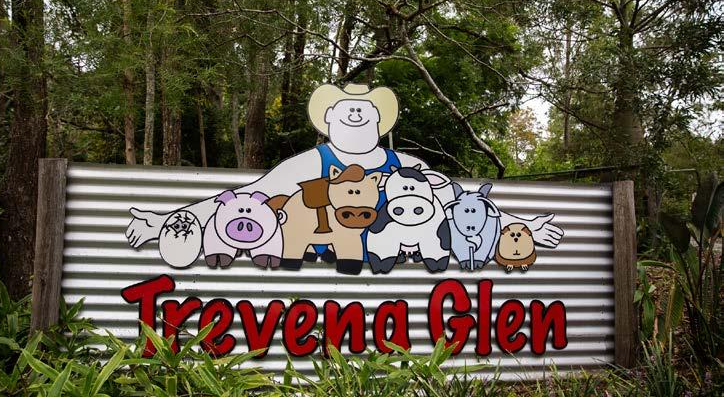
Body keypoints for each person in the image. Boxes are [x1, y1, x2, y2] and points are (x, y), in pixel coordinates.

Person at [125, 83, 562, 267]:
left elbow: (465, 204)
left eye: (364, 109)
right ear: (329, 118)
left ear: (379, 121)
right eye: (345, 109)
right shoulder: (310, 163)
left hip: (395, 283)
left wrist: (522, 226)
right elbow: (247, 196)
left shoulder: (405, 165)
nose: (355, 114)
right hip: (319, 277)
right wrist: (164, 223)